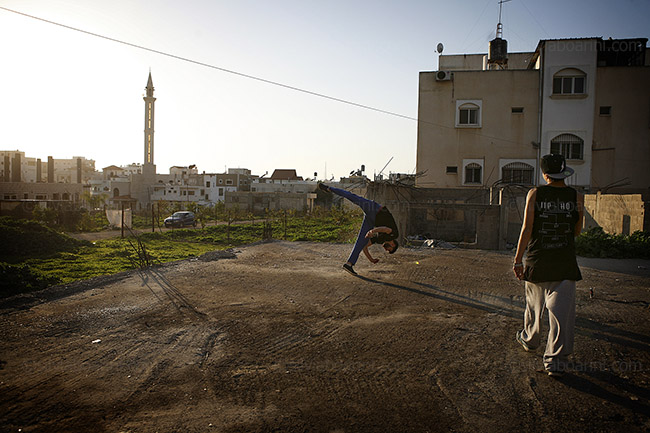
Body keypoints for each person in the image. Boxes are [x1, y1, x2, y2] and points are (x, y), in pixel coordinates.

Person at [513, 154, 583, 377]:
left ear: (545, 174)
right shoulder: (577, 196)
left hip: (538, 259)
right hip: (564, 261)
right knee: (561, 315)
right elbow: (577, 231)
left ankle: (530, 340)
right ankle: (555, 362)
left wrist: (517, 260)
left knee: (534, 308)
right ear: (564, 173)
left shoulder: (535, 193)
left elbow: (527, 229)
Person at [318, 183, 399, 275]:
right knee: (353, 197)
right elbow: (385, 229)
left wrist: (371, 259)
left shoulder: (380, 240)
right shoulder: (395, 234)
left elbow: (364, 246)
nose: (386, 249)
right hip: (376, 209)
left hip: (371, 220)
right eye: (389, 249)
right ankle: (329, 188)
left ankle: (349, 264)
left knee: (361, 241)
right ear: (393, 245)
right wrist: (372, 231)